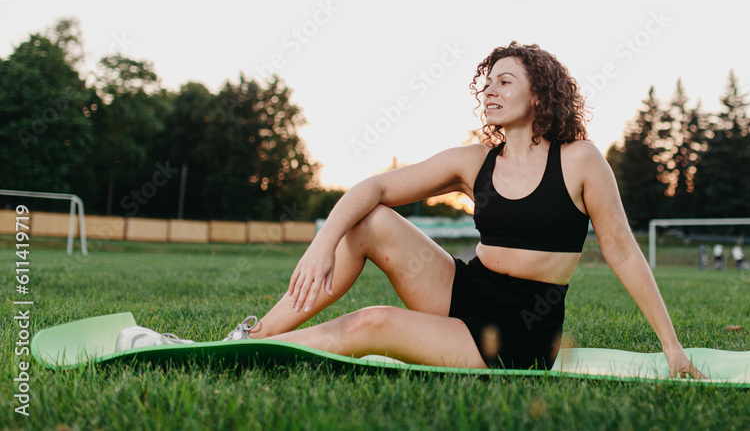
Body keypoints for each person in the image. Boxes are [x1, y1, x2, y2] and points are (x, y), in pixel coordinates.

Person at [120, 41, 704, 378]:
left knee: (370, 324)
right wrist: (322, 243)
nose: (491, 91)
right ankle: (251, 336)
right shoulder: (474, 161)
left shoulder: (580, 161)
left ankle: (229, 358)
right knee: (368, 220)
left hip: (517, 333)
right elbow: (373, 187)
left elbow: (623, 252)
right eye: (488, 83)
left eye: (505, 81)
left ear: (540, 93)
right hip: (464, 290)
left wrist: (672, 347)